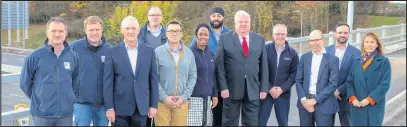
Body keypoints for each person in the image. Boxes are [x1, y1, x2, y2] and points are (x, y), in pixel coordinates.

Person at [19, 17, 79, 126]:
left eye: (61, 31)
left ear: (66, 33)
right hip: (42, 115)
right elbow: (24, 83)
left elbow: (76, 82)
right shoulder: (34, 56)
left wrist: (69, 98)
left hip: (65, 115)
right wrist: (40, 99)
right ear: (47, 33)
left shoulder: (73, 56)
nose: (57, 34)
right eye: (53, 31)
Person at [215, 10, 269, 126]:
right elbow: (219, 66)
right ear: (235, 24)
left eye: (246, 22)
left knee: (251, 122)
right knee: (229, 122)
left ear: (250, 23)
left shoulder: (259, 39)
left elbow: (264, 65)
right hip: (231, 89)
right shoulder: (225, 39)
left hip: (253, 89)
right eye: (240, 22)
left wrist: (264, 87)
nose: (243, 24)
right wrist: (223, 87)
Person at [103, 16, 159, 126]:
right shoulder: (112, 52)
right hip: (119, 108)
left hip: (142, 107)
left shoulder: (149, 51)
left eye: (133, 28)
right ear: (122, 30)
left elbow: (153, 80)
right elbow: (108, 83)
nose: (130, 31)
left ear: (138, 30)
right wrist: (109, 107)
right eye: (127, 28)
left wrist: (153, 105)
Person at [189, 7, 231, 126]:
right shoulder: (204, 30)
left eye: (219, 16)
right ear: (210, 17)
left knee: (219, 115)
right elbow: (191, 54)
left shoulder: (229, 33)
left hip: (222, 79)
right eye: (213, 16)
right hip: (203, 80)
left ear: (223, 17)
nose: (216, 18)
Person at [70, 16, 111, 126]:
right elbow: (66, 72)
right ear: (85, 30)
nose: (94, 33)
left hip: (103, 105)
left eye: (97, 29)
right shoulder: (75, 47)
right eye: (91, 30)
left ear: (102, 29)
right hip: (81, 104)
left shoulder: (109, 49)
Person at [154, 20, 197, 126]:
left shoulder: (189, 53)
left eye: (177, 31)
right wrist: (164, 97)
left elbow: (193, 76)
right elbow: (153, 78)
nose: (174, 33)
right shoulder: (157, 52)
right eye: (171, 31)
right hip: (162, 103)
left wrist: (184, 97)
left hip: (181, 103)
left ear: (181, 33)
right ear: (166, 33)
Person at [295, 30, 339, 126]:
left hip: (324, 103)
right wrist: (304, 100)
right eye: (311, 40)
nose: (314, 43)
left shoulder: (333, 60)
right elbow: (298, 80)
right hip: (305, 102)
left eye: (317, 40)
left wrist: (315, 100)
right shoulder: (304, 58)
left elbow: (332, 84)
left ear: (322, 40)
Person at [346, 32, 391, 126]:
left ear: (377, 45)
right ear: (363, 44)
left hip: (373, 105)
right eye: (366, 42)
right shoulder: (357, 60)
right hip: (357, 105)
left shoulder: (383, 61)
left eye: (372, 42)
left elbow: (384, 84)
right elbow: (349, 82)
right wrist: (353, 98)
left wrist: (369, 99)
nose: (369, 44)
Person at [258, 24, 299, 126]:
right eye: (277, 34)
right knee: (260, 122)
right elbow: (259, 70)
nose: (280, 36)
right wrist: (269, 88)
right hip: (266, 93)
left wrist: (282, 89)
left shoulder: (293, 53)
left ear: (286, 35)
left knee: (283, 123)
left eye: (283, 34)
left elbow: (294, 74)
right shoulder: (264, 50)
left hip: (283, 94)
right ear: (272, 35)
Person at [325, 22, 361, 126]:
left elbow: (355, 76)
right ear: (335, 34)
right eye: (340, 32)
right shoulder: (326, 50)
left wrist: (339, 90)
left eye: (345, 33)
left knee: (347, 123)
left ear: (349, 34)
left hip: (346, 95)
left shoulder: (356, 53)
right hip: (328, 95)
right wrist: (331, 90)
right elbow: (322, 73)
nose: (342, 35)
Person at [187, 23, 218, 126]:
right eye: (201, 34)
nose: (203, 37)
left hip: (207, 99)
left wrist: (215, 94)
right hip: (193, 100)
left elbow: (213, 76)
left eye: (206, 34)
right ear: (196, 35)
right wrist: (186, 98)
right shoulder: (189, 53)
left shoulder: (211, 54)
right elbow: (185, 78)